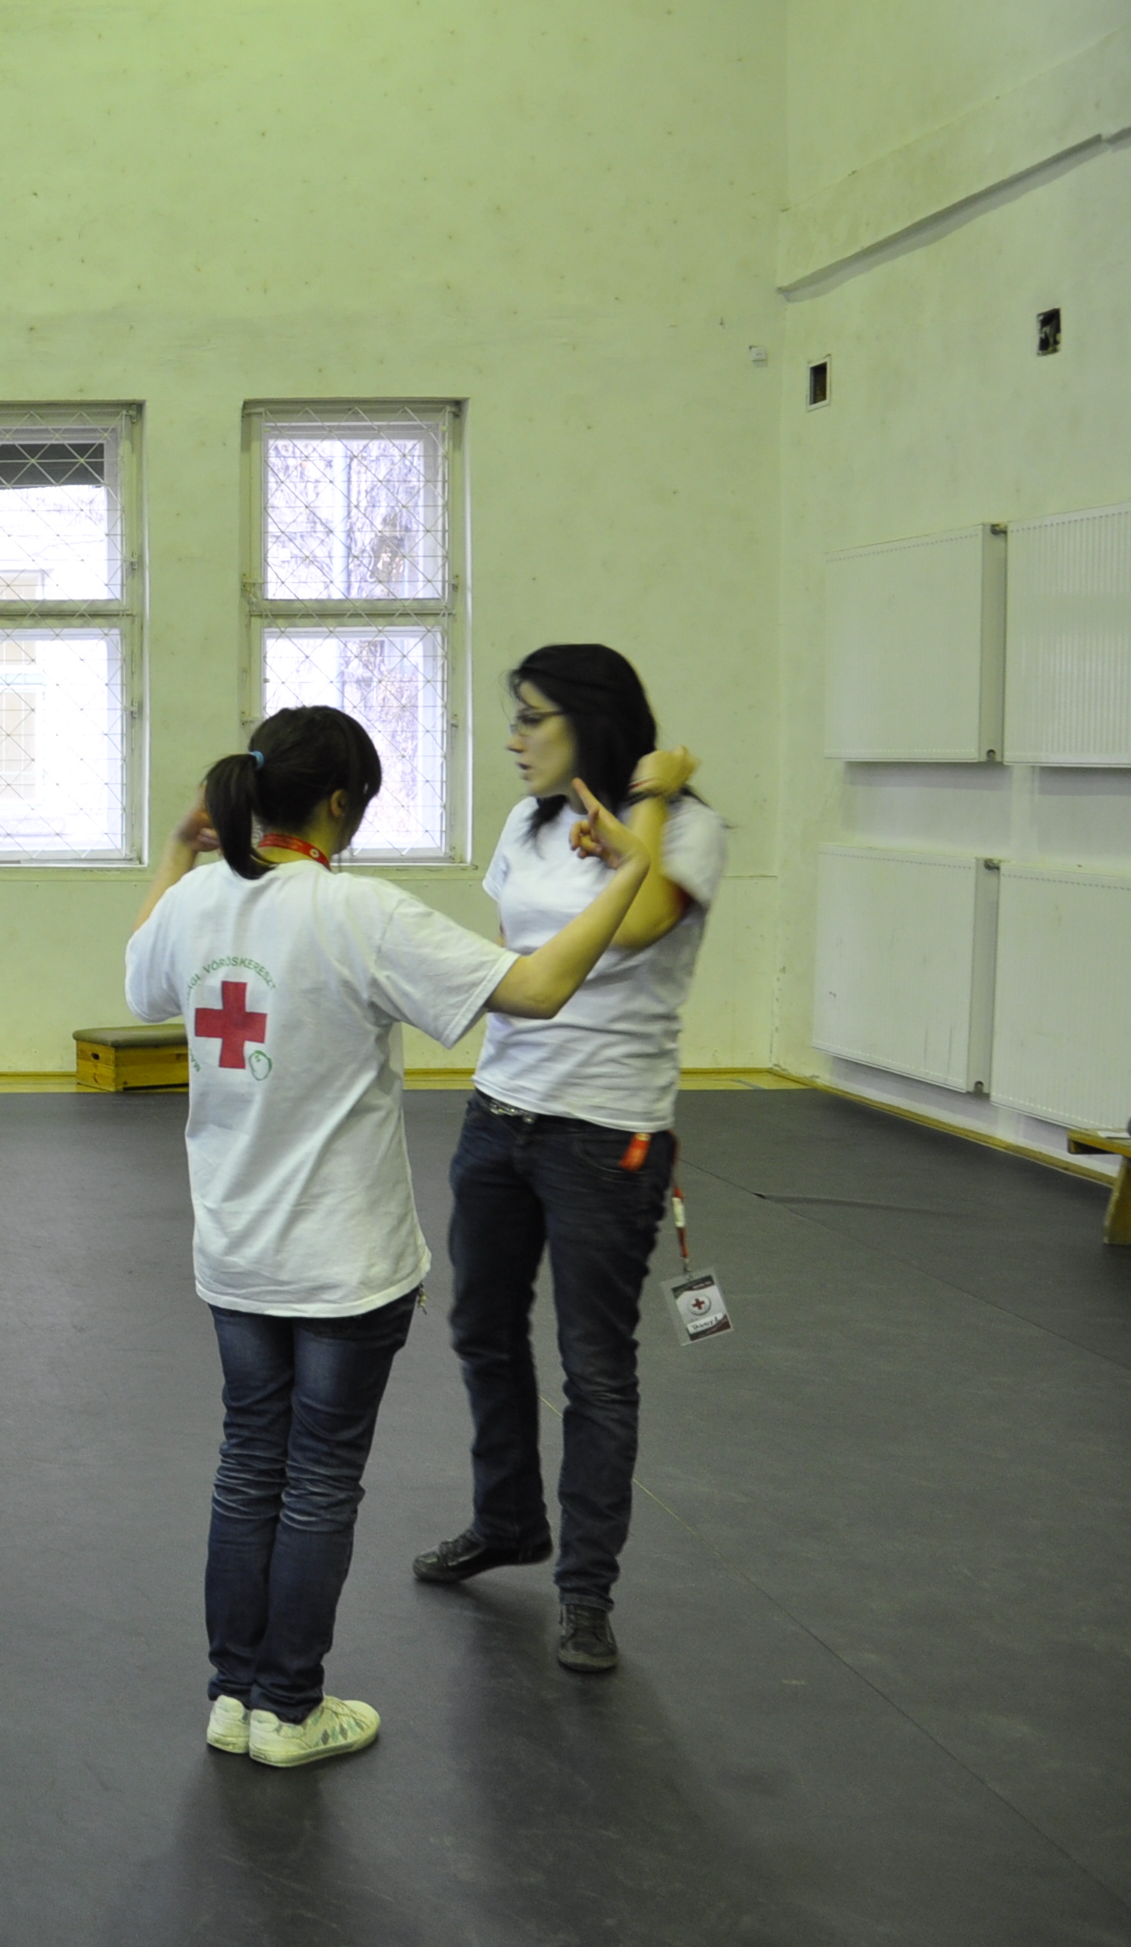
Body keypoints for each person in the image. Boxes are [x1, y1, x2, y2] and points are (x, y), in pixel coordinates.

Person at [125, 705, 654, 1770]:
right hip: (343, 1264)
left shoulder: (194, 903)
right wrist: (631, 872)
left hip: (234, 1255)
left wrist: (177, 850)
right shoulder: (356, 912)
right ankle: (289, 1708)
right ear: (339, 803)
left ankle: (234, 1699)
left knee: (247, 1468)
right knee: (319, 1480)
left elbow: (142, 987)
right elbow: (539, 988)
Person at [418, 646, 722, 1680]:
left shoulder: (687, 827)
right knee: (481, 1329)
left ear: (590, 722)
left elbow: (634, 928)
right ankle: (507, 1521)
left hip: (608, 1134)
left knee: (595, 1366)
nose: (513, 738)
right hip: (500, 1113)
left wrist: (648, 801)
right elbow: (524, 952)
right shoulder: (528, 824)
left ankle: (586, 1592)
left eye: (531, 718)